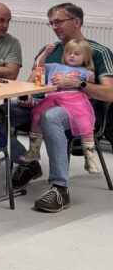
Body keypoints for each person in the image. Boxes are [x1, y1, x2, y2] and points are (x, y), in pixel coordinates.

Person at [8, 3, 113, 213]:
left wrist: (77, 83)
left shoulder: (99, 52)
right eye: (51, 23)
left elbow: (109, 93)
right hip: (44, 102)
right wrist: (26, 95)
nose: (54, 27)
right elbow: (32, 82)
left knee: (50, 116)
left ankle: (60, 189)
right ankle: (28, 164)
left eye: (58, 22)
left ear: (76, 22)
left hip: (80, 110)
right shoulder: (49, 50)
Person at [24, 40, 100, 174]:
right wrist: (45, 53)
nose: (72, 56)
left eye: (77, 54)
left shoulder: (84, 71)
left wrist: (88, 79)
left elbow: (90, 85)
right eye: (69, 53)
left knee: (85, 124)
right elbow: (37, 67)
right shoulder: (54, 66)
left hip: (76, 100)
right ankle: (34, 151)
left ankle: (90, 160)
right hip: (53, 97)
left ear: (85, 58)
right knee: (37, 115)